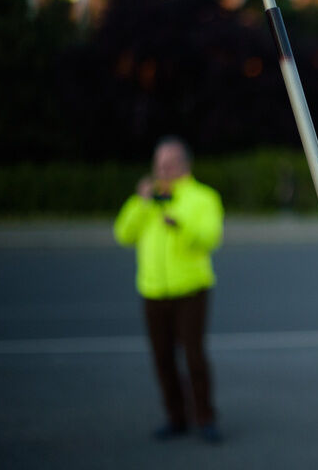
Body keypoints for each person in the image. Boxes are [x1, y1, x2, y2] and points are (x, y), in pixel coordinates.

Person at [114, 136, 224, 444]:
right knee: (162, 357)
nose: (162, 170)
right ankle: (176, 417)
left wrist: (180, 225)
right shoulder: (147, 199)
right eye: (158, 164)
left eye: (168, 163)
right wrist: (140, 202)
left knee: (193, 356)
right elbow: (123, 233)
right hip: (152, 290)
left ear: (183, 164)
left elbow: (209, 237)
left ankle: (205, 418)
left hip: (190, 289)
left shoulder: (202, 197)